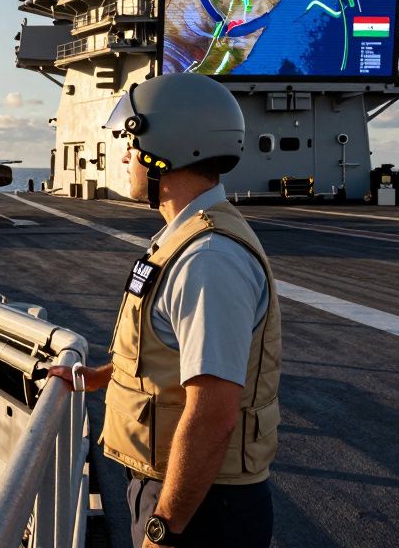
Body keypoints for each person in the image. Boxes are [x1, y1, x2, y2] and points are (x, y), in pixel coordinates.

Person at [48, 74, 280, 548]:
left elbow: (214, 411)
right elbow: (178, 353)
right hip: (186, 492)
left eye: (133, 141)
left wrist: (165, 529)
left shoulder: (206, 257)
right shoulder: (188, 237)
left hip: (199, 509)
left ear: (166, 148)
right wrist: (107, 375)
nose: (126, 155)